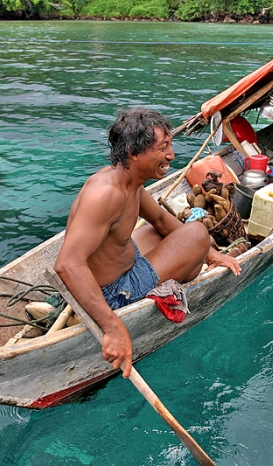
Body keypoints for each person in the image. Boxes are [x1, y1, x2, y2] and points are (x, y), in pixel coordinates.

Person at [53, 108, 241, 378]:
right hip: (112, 295)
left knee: (167, 235)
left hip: (120, 270)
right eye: (163, 148)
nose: (171, 155)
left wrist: (212, 255)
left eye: (170, 145)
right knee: (197, 233)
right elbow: (67, 264)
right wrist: (112, 326)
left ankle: (193, 263)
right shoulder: (106, 194)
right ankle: (182, 272)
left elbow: (163, 222)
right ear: (133, 152)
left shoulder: (129, 183)